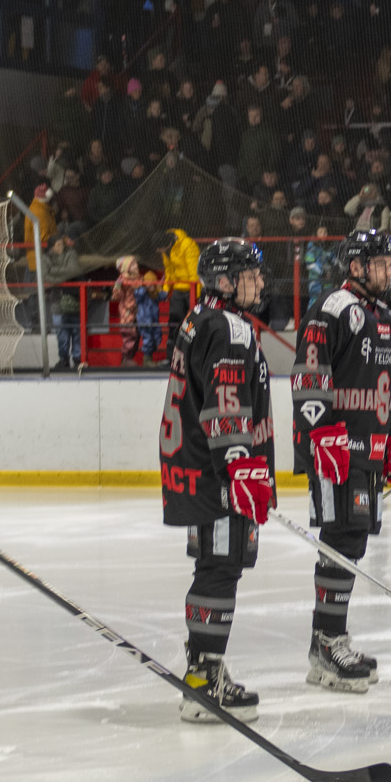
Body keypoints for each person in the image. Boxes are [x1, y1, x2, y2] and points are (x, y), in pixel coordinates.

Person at [160, 237, 278, 720]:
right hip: (219, 474)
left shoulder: (198, 318)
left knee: (215, 564)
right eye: (250, 275)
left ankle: (201, 671)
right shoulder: (228, 327)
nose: (260, 283)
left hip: (199, 467)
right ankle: (204, 679)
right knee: (220, 567)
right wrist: (239, 467)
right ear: (225, 281)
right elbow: (225, 402)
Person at [293, 226, 391, 692]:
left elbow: (379, 384)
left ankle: (333, 636)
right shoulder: (331, 308)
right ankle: (325, 645)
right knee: (339, 539)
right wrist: (320, 432)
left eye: (390, 263)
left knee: (355, 542)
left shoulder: (384, 315)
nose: (389, 271)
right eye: (380, 264)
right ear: (357, 267)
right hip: (336, 447)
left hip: (368, 448)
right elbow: (309, 375)